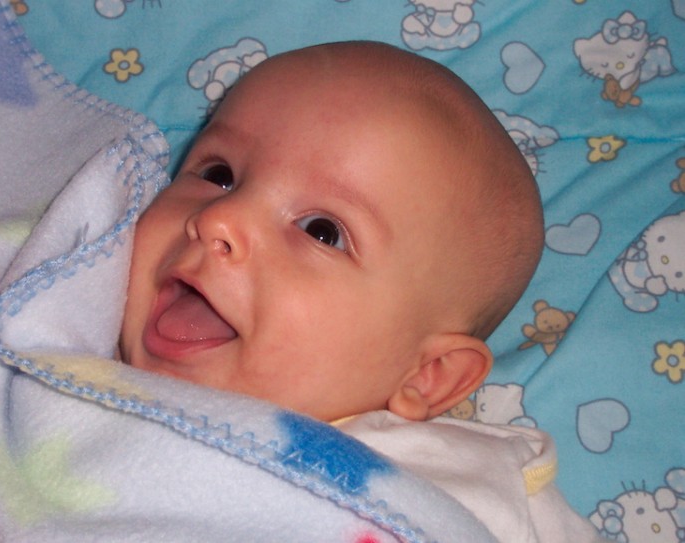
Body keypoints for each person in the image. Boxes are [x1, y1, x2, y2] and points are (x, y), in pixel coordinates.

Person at [118, 41, 602, 541]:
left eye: (321, 230)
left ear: (429, 375)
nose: (219, 217)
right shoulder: (54, 331)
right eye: (219, 175)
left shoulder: (461, 479)